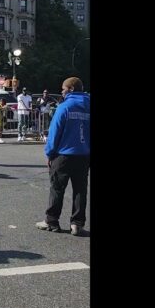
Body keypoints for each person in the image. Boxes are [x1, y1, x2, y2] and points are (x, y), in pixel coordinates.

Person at [36, 77, 91, 236]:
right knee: (80, 190)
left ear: (71, 89)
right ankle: (77, 224)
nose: (62, 92)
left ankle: (52, 221)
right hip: (83, 154)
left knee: (57, 188)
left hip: (63, 155)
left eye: (63, 89)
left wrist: (49, 153)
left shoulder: (64, 107)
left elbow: (54, 133)